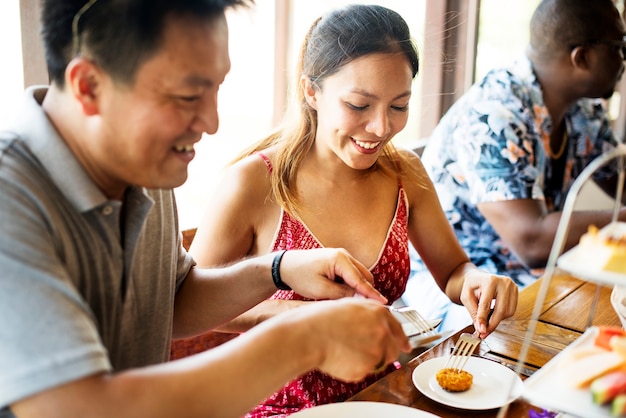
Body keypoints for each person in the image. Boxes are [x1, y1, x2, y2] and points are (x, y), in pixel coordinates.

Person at [0, 1, 427, 417]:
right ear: (89, 86)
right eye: (188, 96)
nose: (212, 121)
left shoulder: (141, 167)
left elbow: (174, 302)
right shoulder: (10, 197)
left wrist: (279, 268)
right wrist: (304, 337)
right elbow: (75, 408)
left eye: (216, 88)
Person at [190, 4, 518, 416]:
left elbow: (453, 271)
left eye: (399, 106)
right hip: (279, 403)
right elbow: (195, 309)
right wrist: (308, 316)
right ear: (312, 91)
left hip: (387, 395)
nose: (382, 127)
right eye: (359, 106)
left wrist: (478, 281)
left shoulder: (405, 174)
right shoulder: (253, 183)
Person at [403, 0, 626, 330]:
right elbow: (532, 242)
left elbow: (620, 182)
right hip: (460, 280)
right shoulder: (495, 114)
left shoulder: (585, 110)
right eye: (619, 48)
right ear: (582, 57)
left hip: (528, 276)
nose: (623, 60)